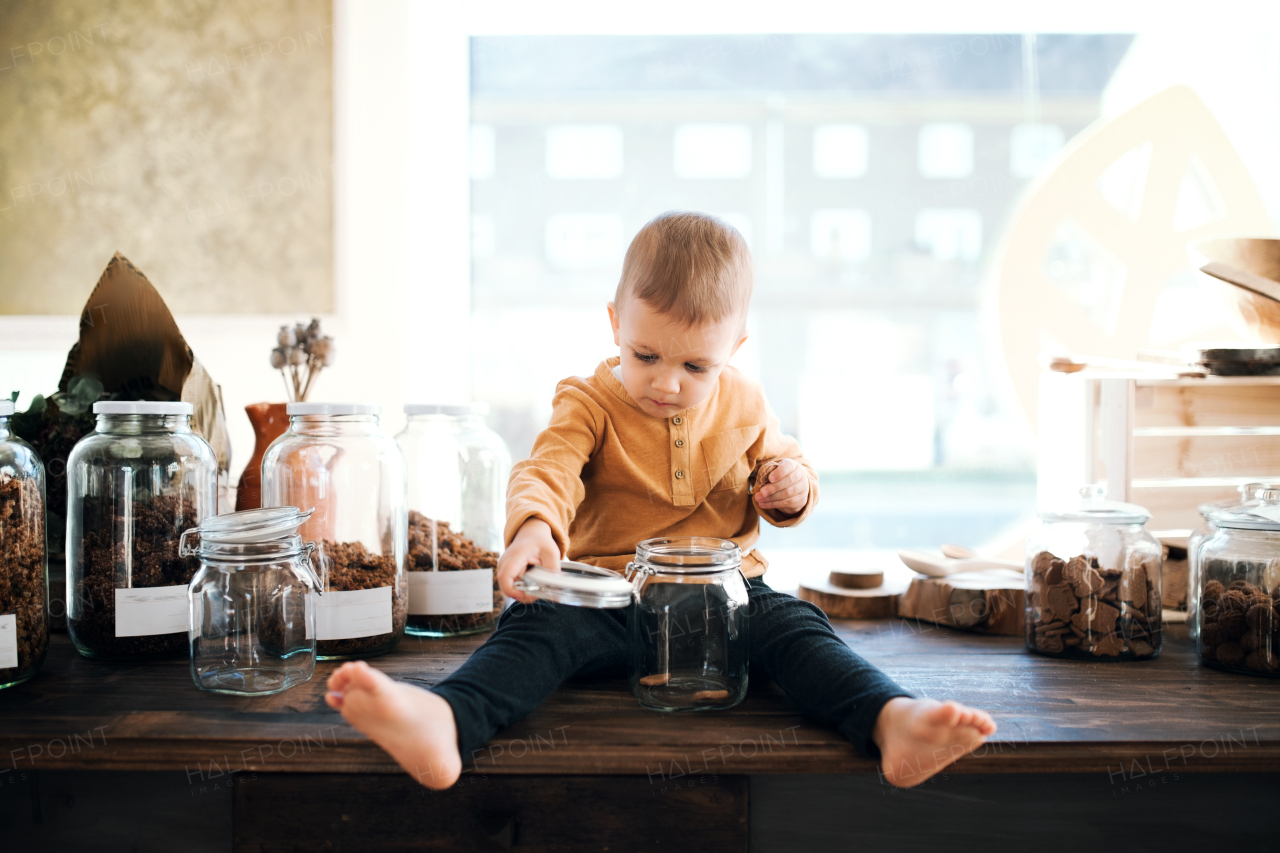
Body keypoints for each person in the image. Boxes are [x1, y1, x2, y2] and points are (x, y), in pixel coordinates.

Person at [325, 211, 996, 789]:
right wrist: (535, 528)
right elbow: (547, 467)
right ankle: (445, 721)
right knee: (534, 627)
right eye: (645, 354)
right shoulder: (587, 401)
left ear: (732, 350)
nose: (667, 383)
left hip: (726, 596)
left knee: (799, 629)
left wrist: (791, 486)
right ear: (615, 323)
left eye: (695, 366)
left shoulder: (748, 401)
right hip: (607, 598)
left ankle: (892, 720)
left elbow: (788, 463)